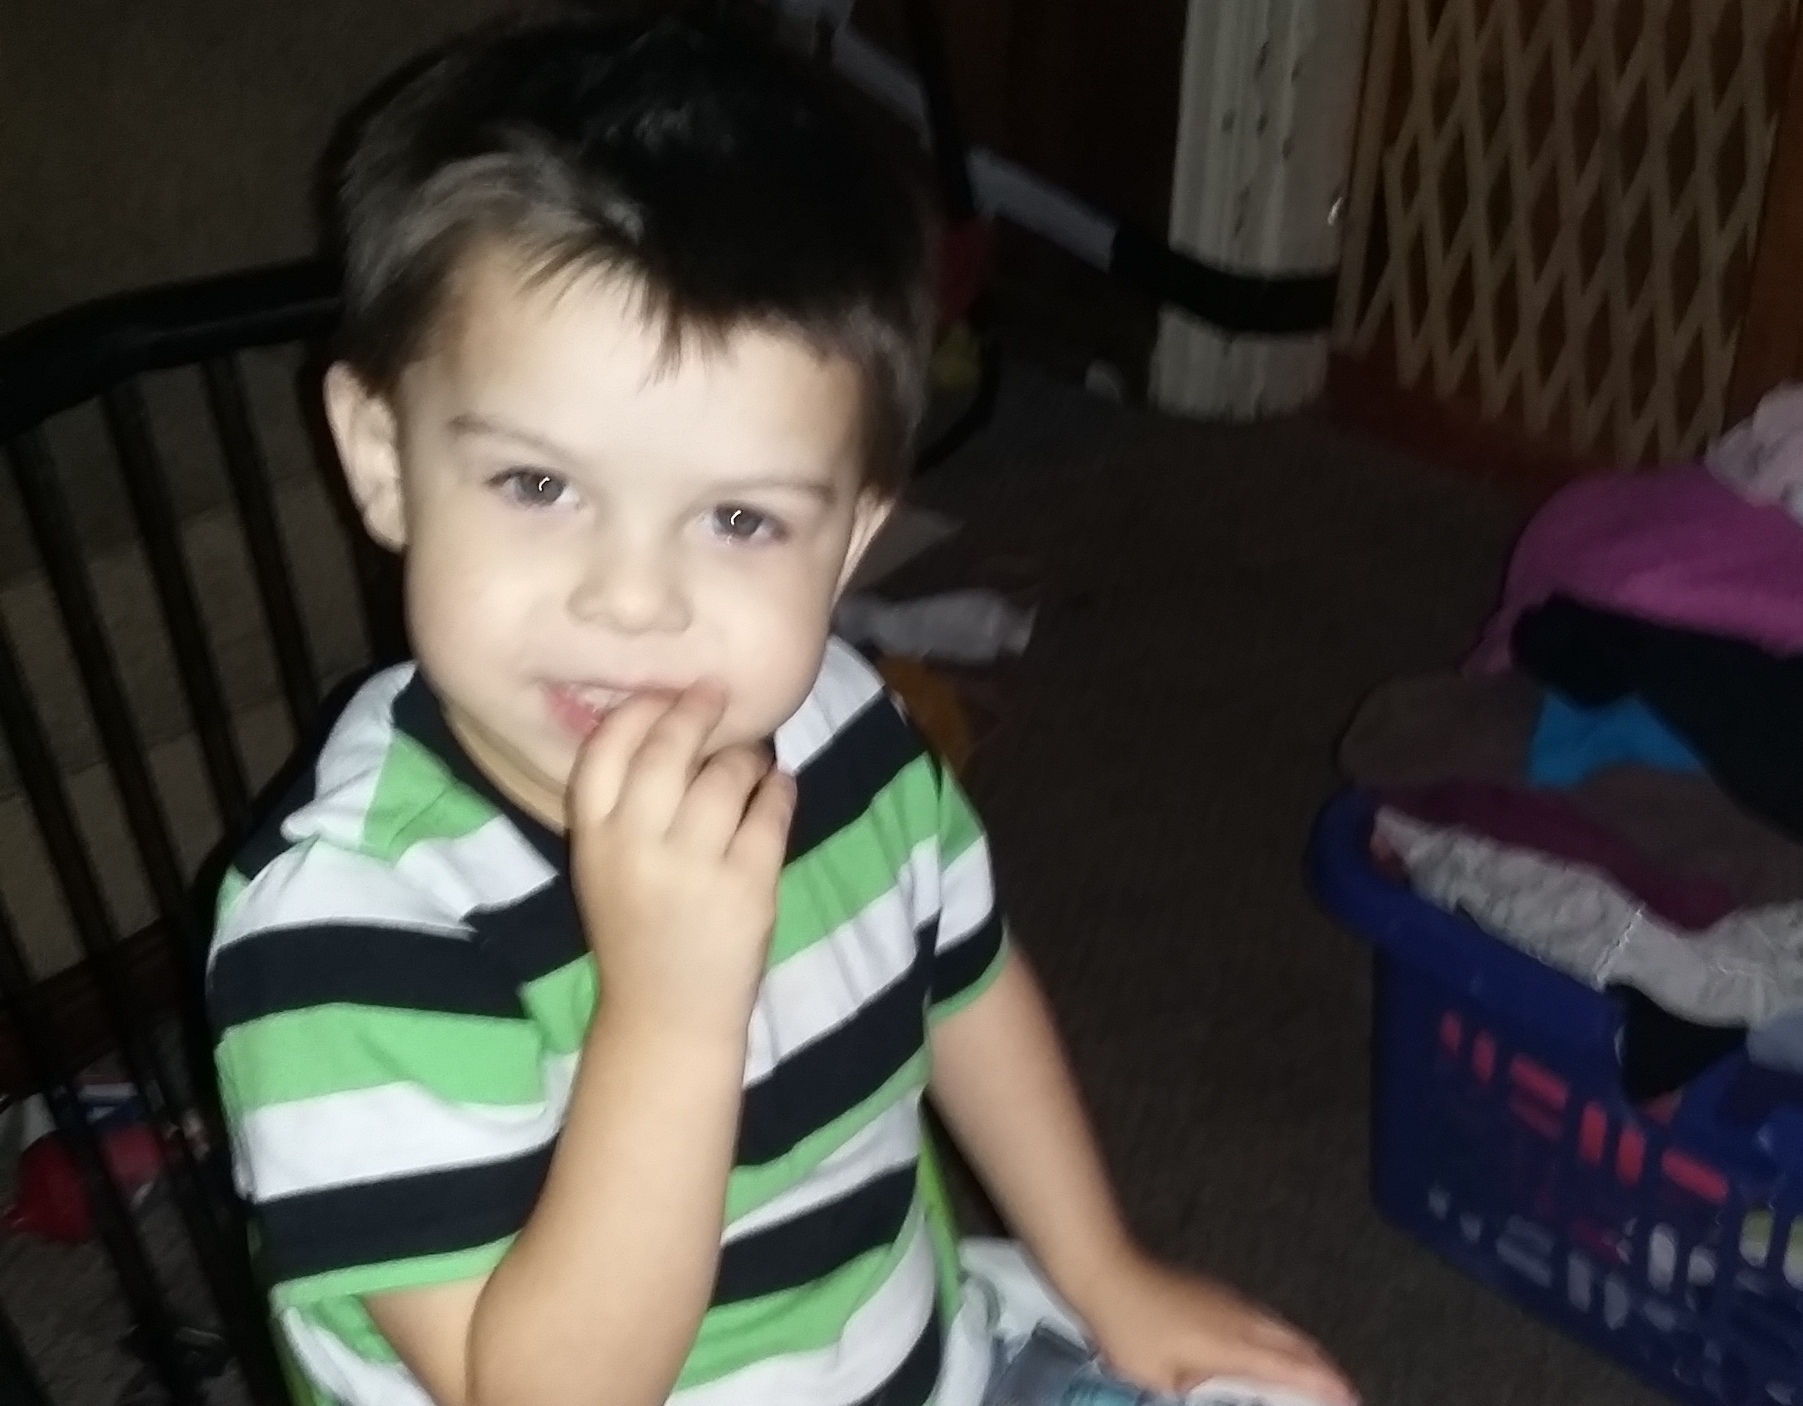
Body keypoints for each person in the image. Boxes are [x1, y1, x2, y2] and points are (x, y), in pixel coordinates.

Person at [207, 11, 1356, 1406]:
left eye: (740, 517)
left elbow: (967, 987)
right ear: (382, 460)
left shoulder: (842, 729)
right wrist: (674, 1010)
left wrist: (1104, 1267)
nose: (632, 599)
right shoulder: (349, 925)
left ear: (854, 535)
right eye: (537, 484)